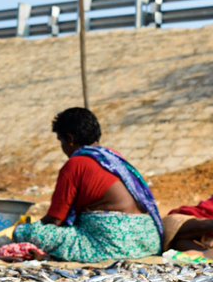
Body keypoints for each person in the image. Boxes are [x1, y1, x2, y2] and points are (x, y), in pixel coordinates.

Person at [11, 108, 175, 263]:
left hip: (114, 244)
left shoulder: (76, 163)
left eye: (61, 141)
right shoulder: (113, 158)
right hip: (147, 240)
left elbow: (55, 220)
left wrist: (28, 229)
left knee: (25, 232)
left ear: (70, 139)